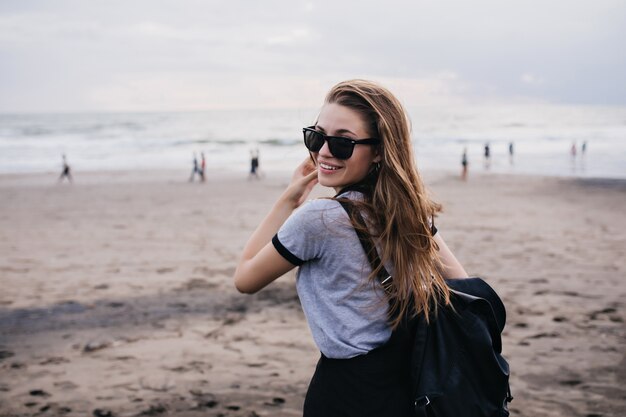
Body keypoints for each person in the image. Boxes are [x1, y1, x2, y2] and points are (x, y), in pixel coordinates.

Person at [233, 80, 468, 416]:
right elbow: (463, 286)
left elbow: (245, 277)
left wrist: (288, 199)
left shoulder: (319, 219)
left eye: (342, 142)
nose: (324, 151)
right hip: (408, 387)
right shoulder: (410, 213)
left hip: (345, 393)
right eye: (316, 137)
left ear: (377, 151)